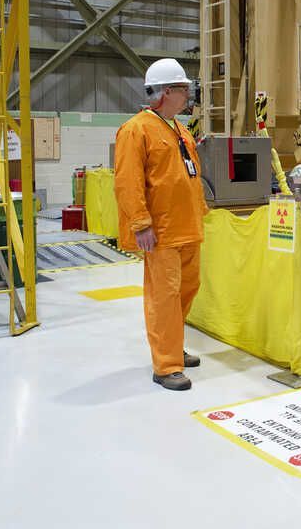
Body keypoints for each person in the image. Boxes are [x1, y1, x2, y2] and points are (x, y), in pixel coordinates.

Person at [114, 58, 208, 391]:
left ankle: (173, 346)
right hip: (163, 232)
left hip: (188, 227)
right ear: (167, 92)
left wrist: (201, 211)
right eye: (183, 89)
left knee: (186, 290)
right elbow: (127, 181)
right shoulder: (136, 129)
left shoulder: (179, 129)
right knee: (164, 297)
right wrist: (141, 223)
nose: (188, 95)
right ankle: (166, 365)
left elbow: (187, 176)